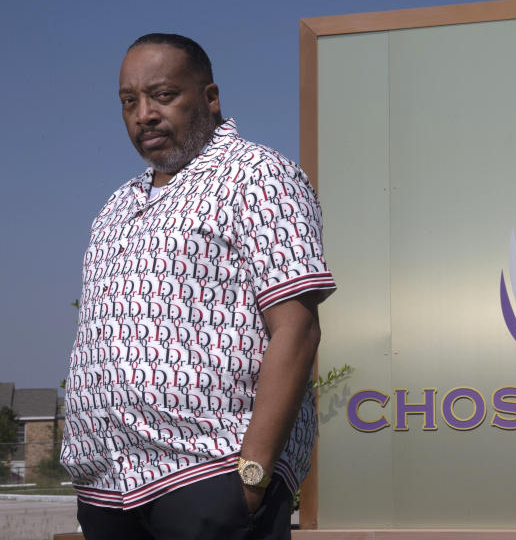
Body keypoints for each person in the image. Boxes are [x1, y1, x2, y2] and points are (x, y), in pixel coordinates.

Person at [60, 33, 335, 540]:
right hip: (108, 486)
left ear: (210, 97)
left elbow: (297, 330)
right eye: (129, 101)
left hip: (208, 474)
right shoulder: (117, 205)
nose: (144, 114)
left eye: (163, 95)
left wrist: (250, 477)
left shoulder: (258, 175)